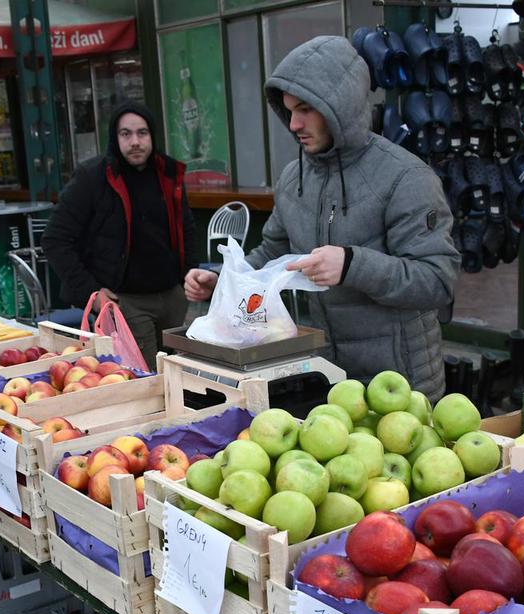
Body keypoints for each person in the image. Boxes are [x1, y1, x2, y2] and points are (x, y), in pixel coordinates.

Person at [184, 36, 459, 398]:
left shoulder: (405, 177)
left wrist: (351, 264)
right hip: (325, 377)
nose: (294, 124)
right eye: (288, 111)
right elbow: (272, 253)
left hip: (400, 386)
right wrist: (222, 279)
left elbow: (437, 281)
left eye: (305, 109)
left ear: (338, 106)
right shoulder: (292, 179)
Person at [43, 101, 194, 368]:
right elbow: (55, 240)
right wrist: (91, 293)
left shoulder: (168, 173)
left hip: (172, 297)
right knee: (146, 383)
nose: (135, 141)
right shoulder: (93, 178)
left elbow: (186, 229)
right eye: (126, 134)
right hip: (125, 302)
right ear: (115, 137)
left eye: (142, 133)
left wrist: (188, 277)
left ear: (152, 136)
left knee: (181, 378)